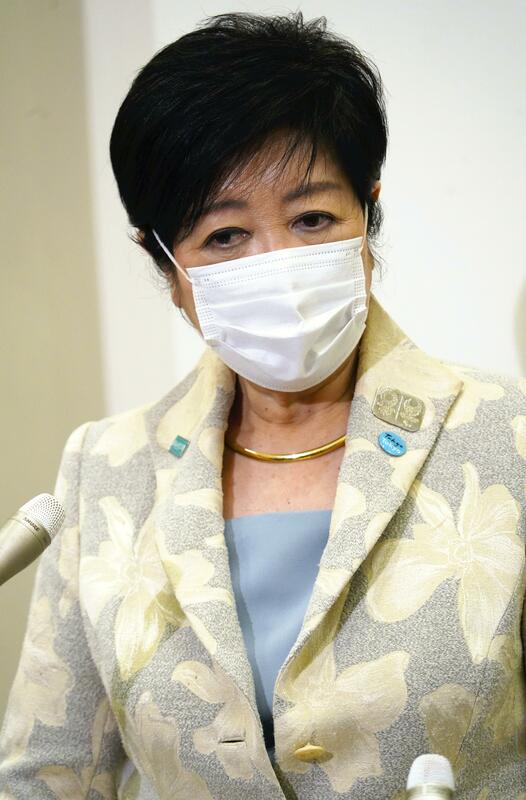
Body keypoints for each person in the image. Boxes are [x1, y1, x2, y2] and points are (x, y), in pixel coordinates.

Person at [1, 10, 525, 800]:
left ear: (368, 213)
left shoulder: (507, 435)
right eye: (225, 236)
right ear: (166, 264)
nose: (278, 263)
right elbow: (46, 776)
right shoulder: (106, 472)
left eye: (312, 219)